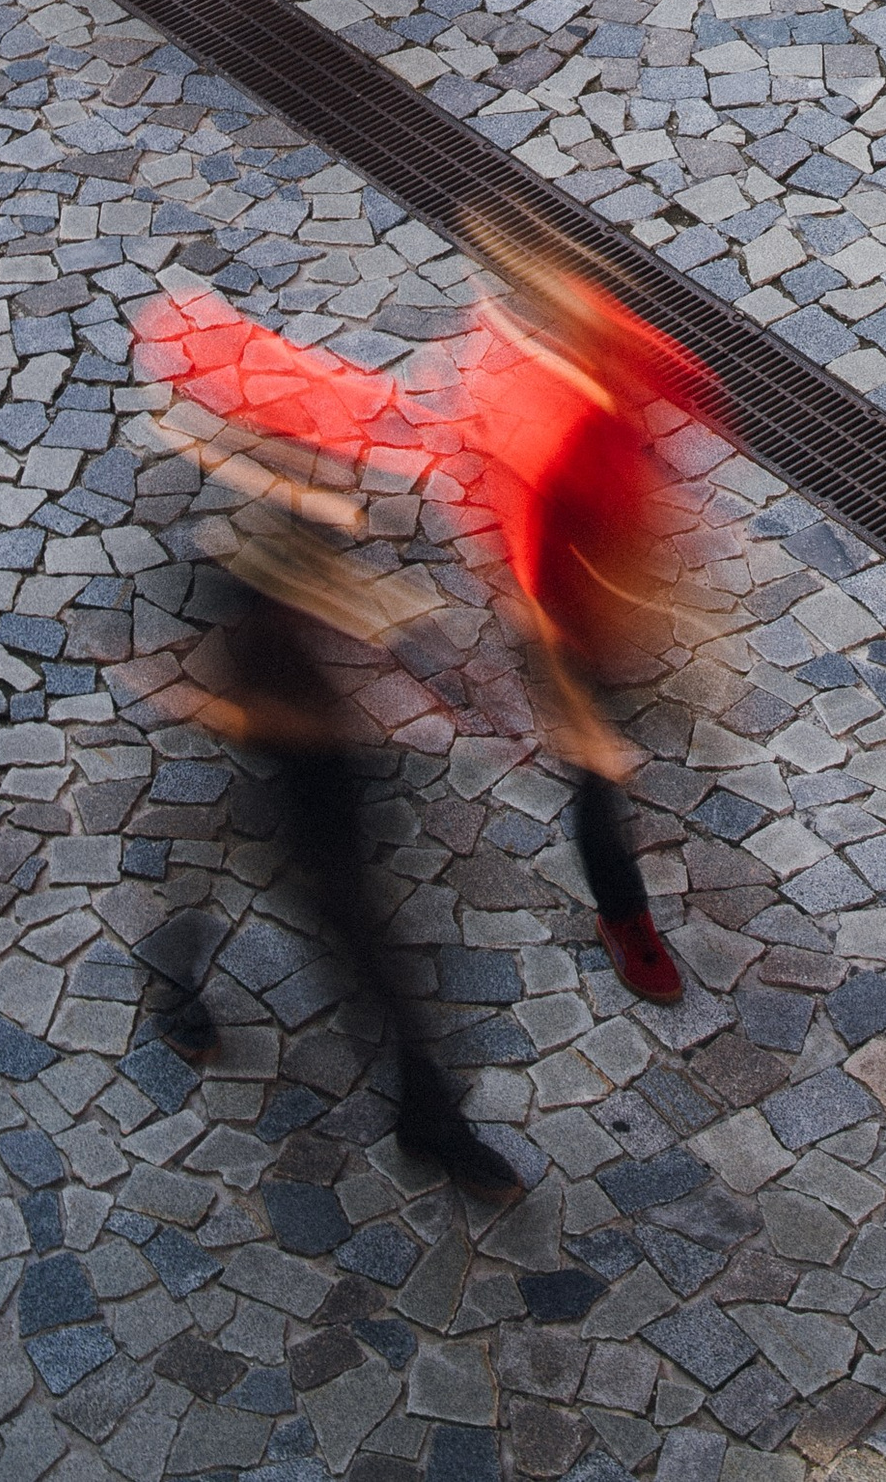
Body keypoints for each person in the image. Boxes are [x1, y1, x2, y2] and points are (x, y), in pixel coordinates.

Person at [137, 418, 521, 1208]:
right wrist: (370, 714)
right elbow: (257, 712)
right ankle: (428, 1117)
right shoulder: (257, 611)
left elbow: (364, 609)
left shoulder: (300, 547)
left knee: (236, 864)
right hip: (306, 788)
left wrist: (426, 674)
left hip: (335, 778)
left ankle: (173, 970)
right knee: (368, 955)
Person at [456, 224, 724, 1007]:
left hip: (617, 583)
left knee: (631, 712)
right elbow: (531, 586)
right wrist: (575, 708)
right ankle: (622, 915)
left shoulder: (609, 338)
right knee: (596, 771)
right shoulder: (543, 435)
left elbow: (683, 379)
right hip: (571, 617)